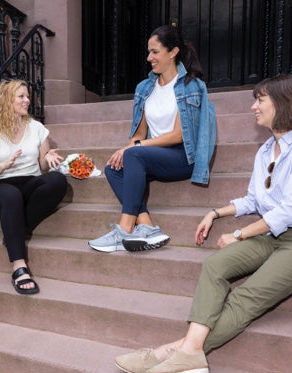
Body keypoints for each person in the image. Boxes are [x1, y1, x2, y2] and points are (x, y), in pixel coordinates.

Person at [114, 74, 292, 373]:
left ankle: (170, 351)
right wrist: (215, 213)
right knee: (215, 266)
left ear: (284, 102)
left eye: (260, 100)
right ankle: (188, 351)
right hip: (272, 234)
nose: (253, 107)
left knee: (245, 296)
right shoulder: (265, 151)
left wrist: (239, 233)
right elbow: (253, 200)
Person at [88, 24, 216, 253]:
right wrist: (124, 150)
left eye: (155, 52)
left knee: (134, 152)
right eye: (149, 52)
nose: (149, 57)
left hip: (182, 156)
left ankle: (124, 229)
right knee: (113, 168)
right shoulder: (144, 88)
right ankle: (146, 225)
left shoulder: (191, 87)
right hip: (152, 154)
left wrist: (135, 147)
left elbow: (179, 135)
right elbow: (138, 134)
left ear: (173, 52)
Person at [0, 80, 67, 295]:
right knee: (11, 196)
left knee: (57, 181)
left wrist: (48, 158)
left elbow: (42, 165)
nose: (27, 100)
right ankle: (19, 266)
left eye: (27, 96)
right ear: (7, 100)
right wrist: (3, 165)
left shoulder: (37, 129)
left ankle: (15, 227)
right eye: (21, 96)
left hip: (29, 182)